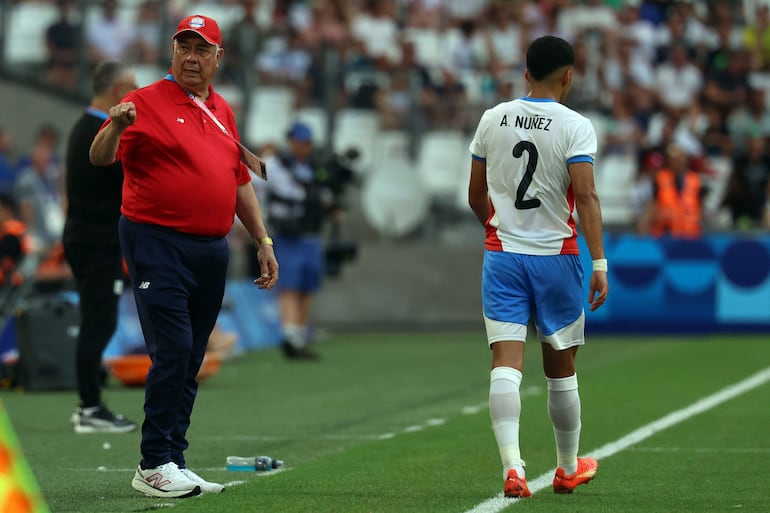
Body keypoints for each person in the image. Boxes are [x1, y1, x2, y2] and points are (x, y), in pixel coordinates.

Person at [89, 14, 278, 499]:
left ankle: (173, 456)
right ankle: (152, 462)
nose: (191, 58)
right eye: (184, 47)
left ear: (219, 57)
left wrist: (262, 241)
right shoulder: (143, 102)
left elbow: (238, 182)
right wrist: (115, 123)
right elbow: (101, 157)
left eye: (202, 49)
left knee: (192, 354)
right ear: (172, 52)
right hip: (157, 240)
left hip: (211, 248)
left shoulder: (221, 110)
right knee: (173, 349)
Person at [467, 35, 608, 499]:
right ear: (568, 76)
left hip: (502, 255)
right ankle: (567, 467)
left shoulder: (493, 118)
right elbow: (585, 195)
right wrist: (600, 262)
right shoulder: (576, 125)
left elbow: (474, 194)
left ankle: (513, 468)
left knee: (505, 363)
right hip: (557, 258)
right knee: (560, 367)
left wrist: (500, 227)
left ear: (525, 72)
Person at [63, 61, 139, 434]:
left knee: (97, 320)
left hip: (88, 238)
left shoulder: (85, 127)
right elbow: (125, 180)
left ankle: (91, 402)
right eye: (133, 90)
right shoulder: (99, 132)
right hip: (95, 242)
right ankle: (89, 406)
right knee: (99, 321)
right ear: (118, 92)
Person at [255, 122, 338, 360]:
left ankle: (300, 333)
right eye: (299, 141)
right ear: (290, 141)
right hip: (288, 234)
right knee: (290, 285)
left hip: (311, 234)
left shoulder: (314, 167)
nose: (303, 146)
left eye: (307, 142)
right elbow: (252, 184)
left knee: (308, 285)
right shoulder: (276, 165)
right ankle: (290, 334)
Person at [636, 142, 706, 238]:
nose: (679, 161)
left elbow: (700, 206)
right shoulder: (660, 179)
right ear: (669, 161)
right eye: (675, 159)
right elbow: (652, 204)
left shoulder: (695, 180)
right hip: (666, 236)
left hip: (690, 237)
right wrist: (644, 223)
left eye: (681, 158)